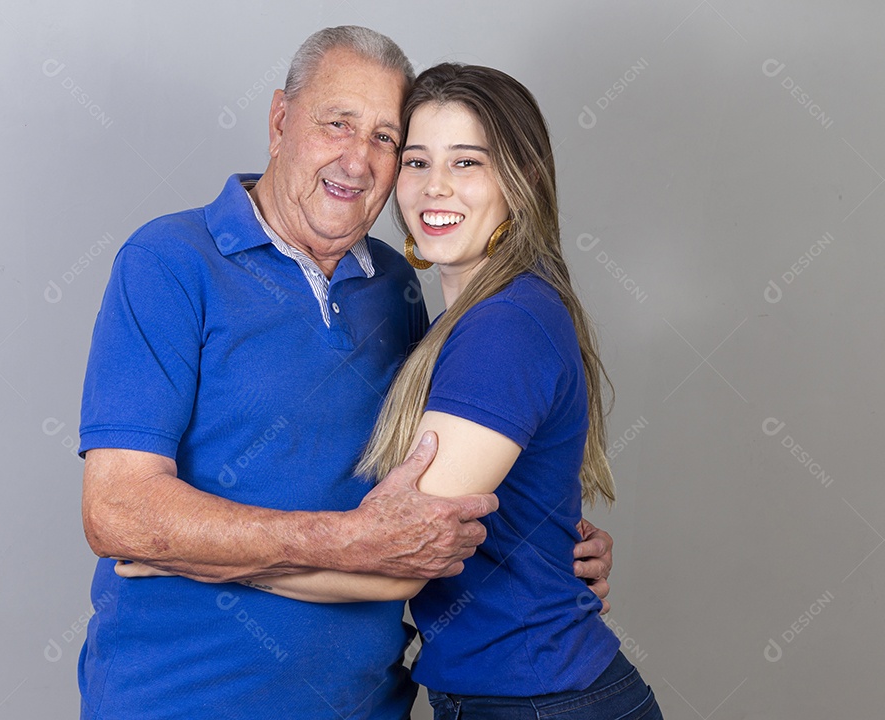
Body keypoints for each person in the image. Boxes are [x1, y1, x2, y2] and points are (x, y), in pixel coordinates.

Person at [79, 26, 614, 719]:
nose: (358, 160)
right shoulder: (168, 261)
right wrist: (340, 539)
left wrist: (546, 544)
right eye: (338, 123)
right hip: (181, 700)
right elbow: (117, 510)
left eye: (387, 139)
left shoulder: (397, 287)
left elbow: (442, 479)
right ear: (280, 121)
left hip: (367, 705)